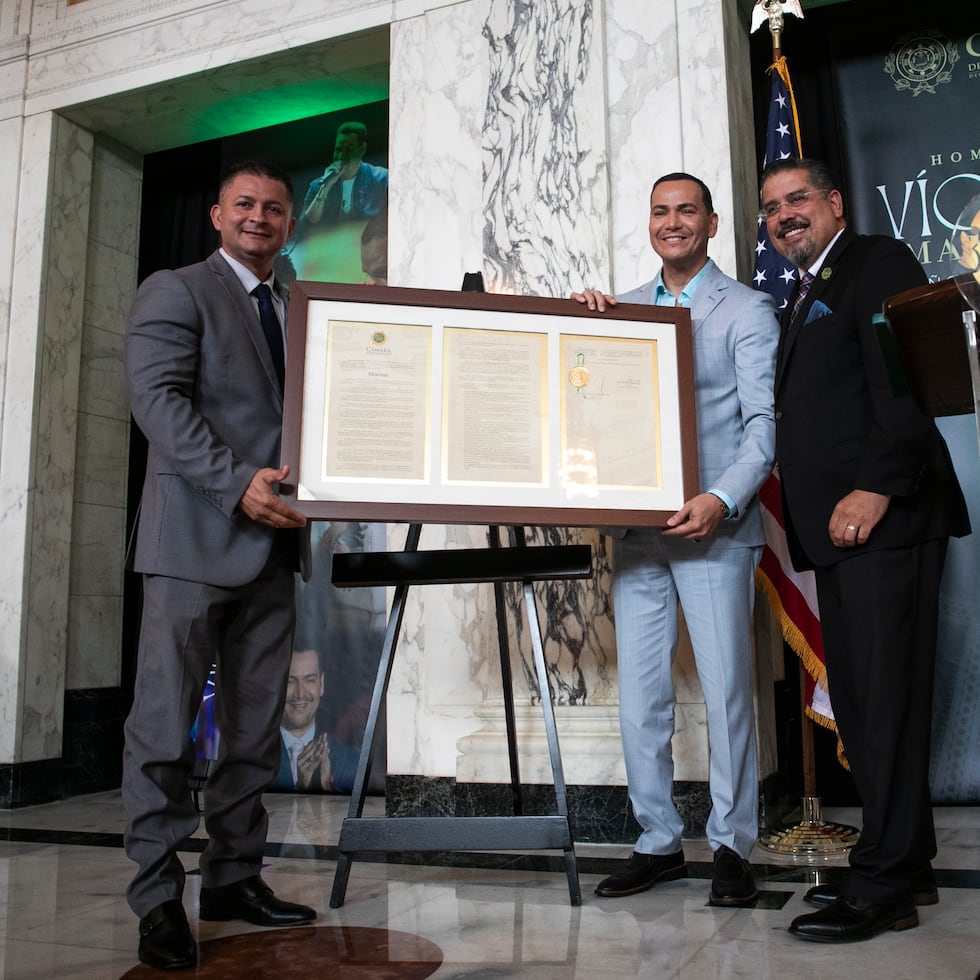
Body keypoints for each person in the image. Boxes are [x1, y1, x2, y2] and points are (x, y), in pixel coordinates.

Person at [760, 157, 970, 943]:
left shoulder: (874, 260)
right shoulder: (806, 289)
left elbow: (905, 380)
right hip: (843, 536)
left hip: (883, 521)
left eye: (798, 199)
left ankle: (882, 885)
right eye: (772, 207)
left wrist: (877, 485)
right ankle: (904, 862)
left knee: (881, 705)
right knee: (871, 702)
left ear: (835, 203)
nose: (784, 215)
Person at [123, 160, 316, 971]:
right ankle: (158, 896)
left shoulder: (302, 304)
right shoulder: (177, 290)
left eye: (274, 208)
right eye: (245, 205)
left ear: (289, 222)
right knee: (165, 728)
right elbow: (158, 403)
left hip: (274, 547)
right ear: (215, 215)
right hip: (192, 543)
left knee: (252, 731)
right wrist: (238, 486)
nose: (260, 218)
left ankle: (234, 876)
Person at [572, 173, 778, 907]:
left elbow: (763, 427)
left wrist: (721, 499)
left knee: (725, 695)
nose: (672, 222)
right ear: (648, 223)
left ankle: (731, 847)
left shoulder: (749, 309)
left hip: (715, 531)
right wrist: (584, 334)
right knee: (642, 699)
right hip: (638, 533)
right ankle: (657, 841)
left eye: (686, 210)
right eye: (659, 210)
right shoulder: (620, 307)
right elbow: (584, 404)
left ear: (713, 223)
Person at [299, 120, 388, 226]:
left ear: (362, 149)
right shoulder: (317, 185)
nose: (341, 156)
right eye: (338, 150)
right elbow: (305, 225)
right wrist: (325, 188)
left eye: (349, 150)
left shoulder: (382, 179)